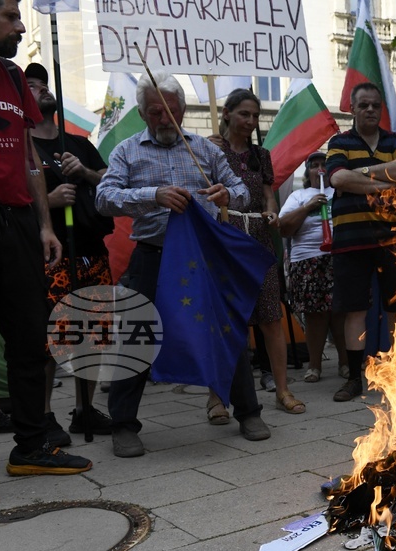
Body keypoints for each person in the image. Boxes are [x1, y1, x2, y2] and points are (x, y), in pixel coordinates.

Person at [96, 72, 269, 457]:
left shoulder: (205, 150)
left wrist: (228, 194)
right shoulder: (126, 151)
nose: (164, 120)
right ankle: (123, 425)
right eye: (155, 113)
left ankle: (249, 412)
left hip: (201, 261)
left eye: (171, 112)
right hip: (152, 256)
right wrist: (152, 195)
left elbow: (241, 191)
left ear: (183, 110)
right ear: (142, 114)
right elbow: (104, 198)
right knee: (136, 336)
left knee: (228, 331)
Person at [0, 0, 93, 509]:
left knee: (29, 338)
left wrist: (43, 224)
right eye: (10, 17)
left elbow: (28, 160)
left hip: (18, 220)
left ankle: (32, 445)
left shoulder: (16, 78)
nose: (20, 26)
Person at [25, 62, 114, 448]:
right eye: (32, 85)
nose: (43, 88)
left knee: (92, 336)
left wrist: (86, 173)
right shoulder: (22, 146)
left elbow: (113, 184)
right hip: (49, 255)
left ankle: (84, 409)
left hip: (91, 251)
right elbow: (8, 201)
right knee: (49, 339)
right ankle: (44, 416)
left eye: (44, 83)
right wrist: (48, 199)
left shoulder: (77, 143)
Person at [205, 89, 304, 420]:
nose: (249, 121)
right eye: (244, 114)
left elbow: (267, 196)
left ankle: (282, 390)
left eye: (254, 116)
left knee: (271, 318)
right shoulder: (210, 150)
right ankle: (216, 397)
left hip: (259, 242)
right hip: (224, 242)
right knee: (226, 322)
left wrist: (273, 212)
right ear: (228, 113)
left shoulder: (261, 156)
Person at [326, 82, 396, 402]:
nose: (370, 110)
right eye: (363, 105)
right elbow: (337, 178)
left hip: (393, 240)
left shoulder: (395, 141)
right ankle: (353, 378)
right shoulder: (339, 142)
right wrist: (381, 181)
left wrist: (360, 174)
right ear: (352, 108)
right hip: (351, 242)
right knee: (354, 311)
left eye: (375, 105)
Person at [278, 152, 349, 385]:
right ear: (307, 172)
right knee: (315, 316)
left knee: (341, 313)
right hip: (308, 259)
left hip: (338, 258)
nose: (320, 169)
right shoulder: (299, 195)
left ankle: (345, 363)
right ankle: (315, 366)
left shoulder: (341, 192)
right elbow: (284, 228)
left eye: (324, 164)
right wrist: (308, 207)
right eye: (314, 165)